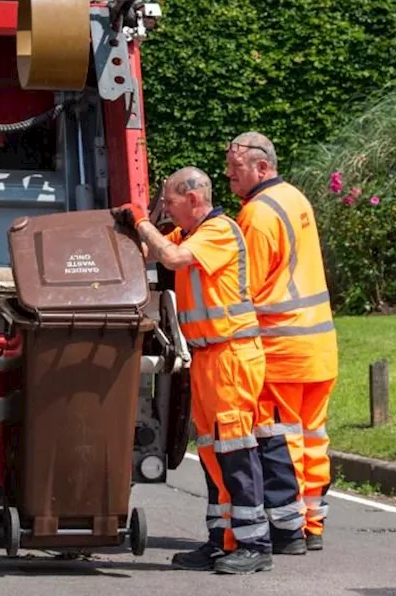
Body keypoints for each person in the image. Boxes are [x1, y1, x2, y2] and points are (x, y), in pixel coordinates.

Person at [114, 167, 272, 575]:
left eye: (170, 202)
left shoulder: (219, 231)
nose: (166, 210)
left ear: (194, 200)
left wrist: (143, 220)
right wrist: (133, 224)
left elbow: (170, 258)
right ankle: (223, 539)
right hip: (208, 357)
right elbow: (150, 252)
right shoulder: (191, 233)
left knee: (235, 450)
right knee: (212, 452)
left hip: (231, 356)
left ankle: (255, 543)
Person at [224, 131, 339, 554]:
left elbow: (244, 287)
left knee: (281, 439)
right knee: (313, 438)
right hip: (319, 344)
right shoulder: (296, 198)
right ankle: (313, 523)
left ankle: (287, 530)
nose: (228, 177)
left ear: (262, 167)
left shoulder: (257, 215)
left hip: (281, 348)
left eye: (235, 170)